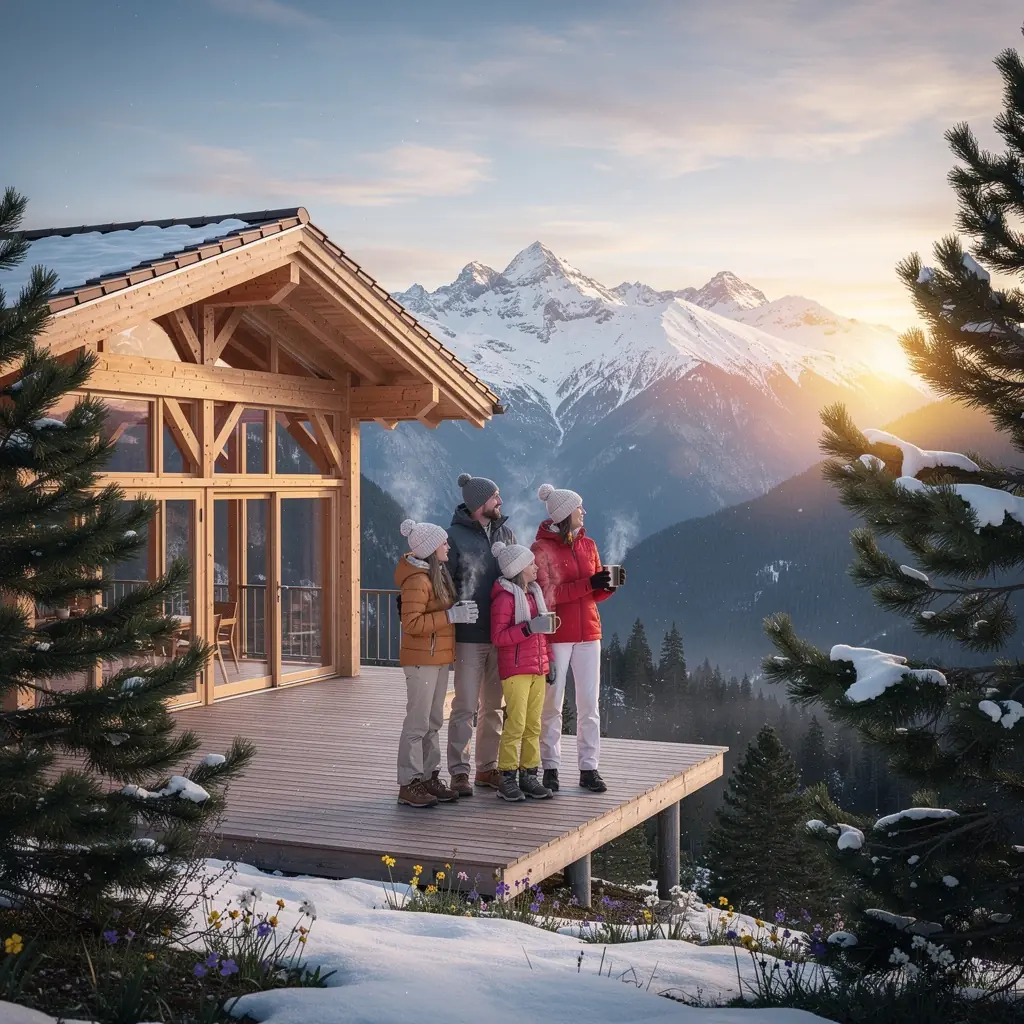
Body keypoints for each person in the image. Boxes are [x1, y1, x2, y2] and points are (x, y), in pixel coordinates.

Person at [531, 484, 626, 794]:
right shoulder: (541, 550)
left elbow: (593, 594)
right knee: (552, 703)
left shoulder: (589, 545)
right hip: (557, 632)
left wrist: (608, 586)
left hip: (589, 633)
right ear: (564, 515)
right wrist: (589, 584)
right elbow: (548, 595)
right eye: (579, 508)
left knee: (589, 704)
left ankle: (589, 768)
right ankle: (550, 767)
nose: (583, 512)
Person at [394, 518, 478, 808]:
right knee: (417, 723)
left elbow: (433, 614)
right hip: (421, 660)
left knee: (432, 722)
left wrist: (456, 611)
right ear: (431, 549)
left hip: (438, 657)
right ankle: (409, 783)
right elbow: (412, 623)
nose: (447, 545)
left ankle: (428, 776)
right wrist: (451, 617)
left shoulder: (435, 574)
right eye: (443, 542)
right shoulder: (417, 580)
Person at [445, 472, 516, 796]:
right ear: (479, 504)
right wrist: (455, 610)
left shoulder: (507, 533)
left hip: (501, 635)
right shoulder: (455, 538)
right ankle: (459, 772)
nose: (500, 501)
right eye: (495, 497)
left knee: (494, 706)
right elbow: (444, 584)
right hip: (469, 637)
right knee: (464, 706)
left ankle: (486, 769)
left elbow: (518, 579)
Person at [489, 540, 554, 802]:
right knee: (516, 724)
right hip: (516, 670)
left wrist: (548, 663)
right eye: (530, 563)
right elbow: (498, 637)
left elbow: (543, 637)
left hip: (536, 668)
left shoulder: (534, 594)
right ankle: (507, 777)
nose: (535, 566)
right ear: (518, 569)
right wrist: (528, 627)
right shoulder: (505, 599)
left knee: (533, 724)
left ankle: (528, 776)